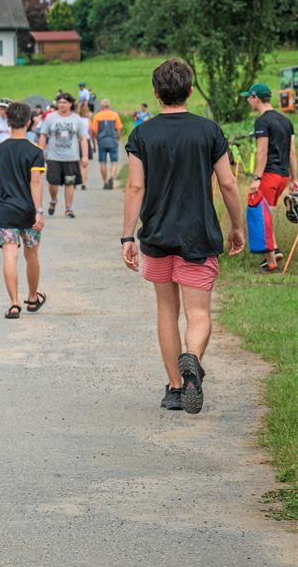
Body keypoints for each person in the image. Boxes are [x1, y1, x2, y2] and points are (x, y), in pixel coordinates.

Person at [122, 59, 245, 414]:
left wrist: (127, 237)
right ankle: (192, 360)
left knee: (166, 310)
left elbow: (134, 187)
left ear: (156, 93)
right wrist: (236, 227)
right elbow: (228, 182)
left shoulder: (142, 135)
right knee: (199, 313)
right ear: (190, 90)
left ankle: (176, 387)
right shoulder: (208, 131)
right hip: (199, 235)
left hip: (158, 235)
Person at [0, 102, 46, 319]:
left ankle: (13, 303)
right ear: (29, 122)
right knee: (32, 254)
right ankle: (31, 298)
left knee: (10, 254)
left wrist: (3, 180)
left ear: (7, 122)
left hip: (6, 210)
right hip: (28, 210)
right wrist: (39, 211)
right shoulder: (35, 151)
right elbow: (35, 182)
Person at [242, 83, 298, 273]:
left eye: (249, 98)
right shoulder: (286, 121)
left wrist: (257, 178)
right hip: (283, 176)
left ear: (256, 98)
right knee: (267, 214)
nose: (249, 101)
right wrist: (294, 179)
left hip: (269, 174)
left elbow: (262, 152)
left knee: (257, 212)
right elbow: (292, 152)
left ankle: (271, 262)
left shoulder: (262, 122)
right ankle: (274, 251)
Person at [38, 92, 89, 218]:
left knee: (70, 183)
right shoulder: (50, 117)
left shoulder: (77, 119)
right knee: (53, 183)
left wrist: (85, 156)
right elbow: (43, 135)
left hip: (71, 157)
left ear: (70, 104)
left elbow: (83, 138)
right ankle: (53, 200)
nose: (62, 104)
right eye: (60, 102)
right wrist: (40, 152)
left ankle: (68, 209)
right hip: (54, 157)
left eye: (64, 102)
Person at [90, 99, 124, 189]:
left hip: (102, 141)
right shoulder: (114, 115)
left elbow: (95, 130)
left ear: (101, 106)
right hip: (113, 140)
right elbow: (119, 128)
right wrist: (118, 139)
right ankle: (112, 176)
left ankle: (105, 182)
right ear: (109, 106)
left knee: (102, 162)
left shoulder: (97, 116)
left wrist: (97, 138)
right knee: (114, 161)